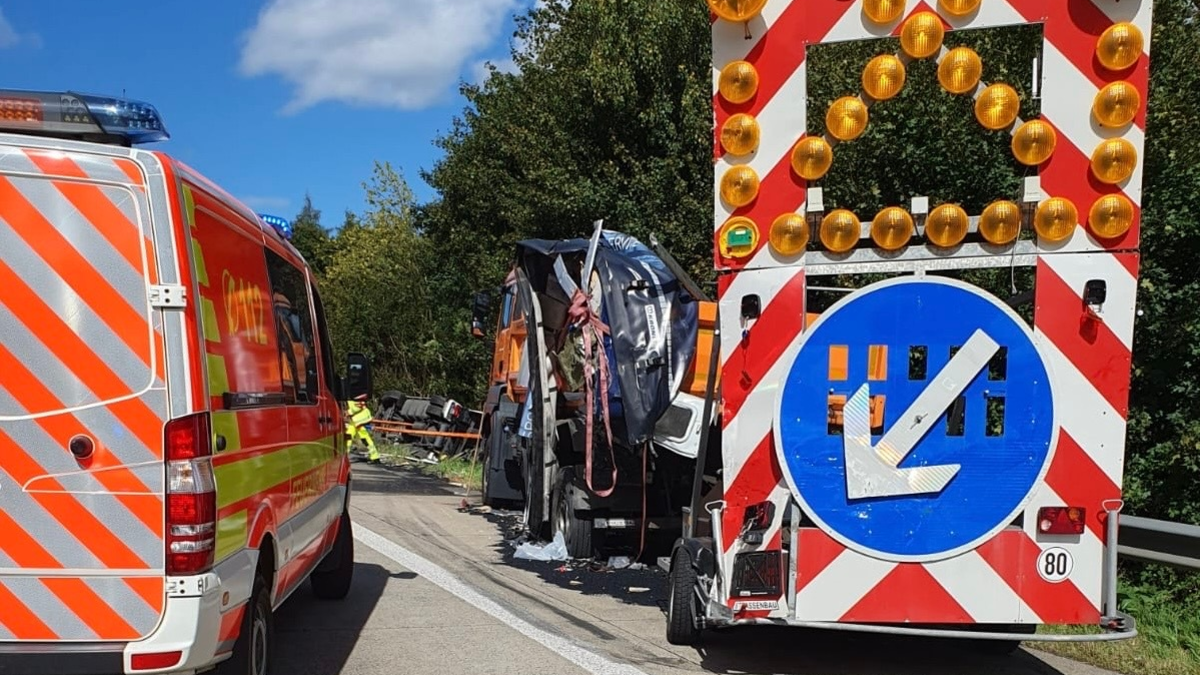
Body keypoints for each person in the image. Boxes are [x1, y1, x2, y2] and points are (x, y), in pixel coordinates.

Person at [345, 394, 380, 463]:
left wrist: (348, 412)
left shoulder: (355, 394)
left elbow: (359, 406)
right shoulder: (350, 395)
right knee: (350, 436)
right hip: (356, 420)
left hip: (360, 419)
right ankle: (375, 456)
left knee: (358, 437)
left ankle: (375, 456)